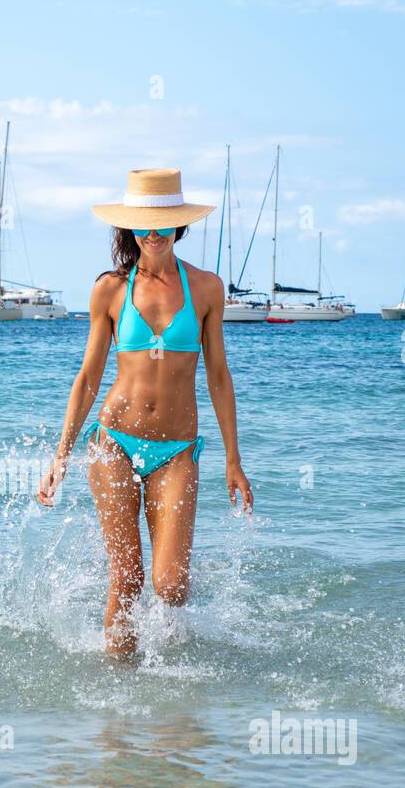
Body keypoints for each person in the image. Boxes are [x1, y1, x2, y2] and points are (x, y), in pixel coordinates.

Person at [38, 167, 253, 657]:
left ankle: (167, 685)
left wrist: (233, 459)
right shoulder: (111, 289)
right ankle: (117, 701)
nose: (152, 233)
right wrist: (61, 456)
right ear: (129, 228)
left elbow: (218, 375)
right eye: (142, 224)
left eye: (162, 223)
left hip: (177, 449)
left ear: (179, 226)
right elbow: (89, 377)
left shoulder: (206, 288)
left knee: (172, 584)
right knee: (128, 575)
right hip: (113, 441)